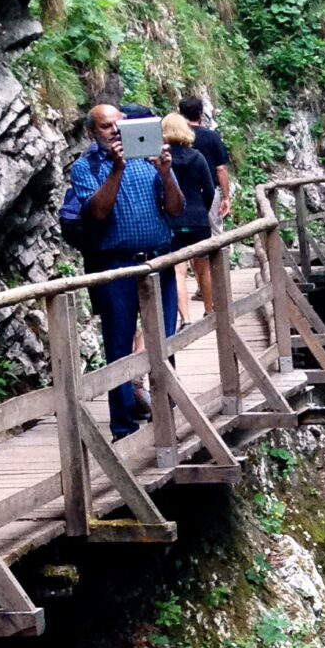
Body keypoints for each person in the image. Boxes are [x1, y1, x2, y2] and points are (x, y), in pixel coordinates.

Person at [58, 100, 186, 439]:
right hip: (116, 265)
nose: (114, 130)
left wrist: (165, 173)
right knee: (118, 345)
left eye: (119, 123)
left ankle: (166, 413)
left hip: (159, 260)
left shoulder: (149, 160)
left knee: (166, 339)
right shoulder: (86, 168)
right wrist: (116, 168)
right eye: (105, 126)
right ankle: (124, 426)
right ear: (91, 132)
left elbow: (175, 208)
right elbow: (97, 212)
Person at [162, 111, 218, 309]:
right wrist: (202, 209)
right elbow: (209, 189)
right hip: (198, 219)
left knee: (178, 271)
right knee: (203, 268)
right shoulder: (197, 157)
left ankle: (185, 319)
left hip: (172, 220)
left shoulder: (161, 160)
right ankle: (210, 311)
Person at [179, 92, 235, 224]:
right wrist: (226, 197)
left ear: (180, 114)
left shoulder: (175, 138)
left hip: (181, 191)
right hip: (208, 190)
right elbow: (221, 169)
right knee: (214, 232)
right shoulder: (212, 137)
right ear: (200, 114)